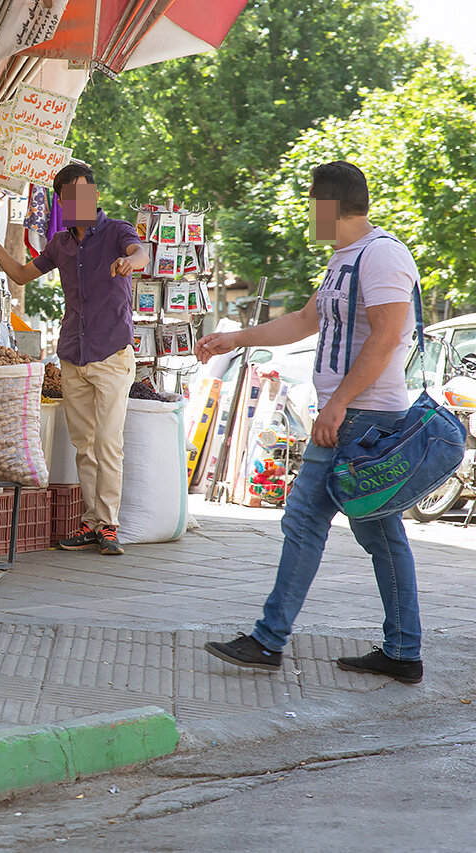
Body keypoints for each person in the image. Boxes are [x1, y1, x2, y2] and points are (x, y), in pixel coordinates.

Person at [197, 162, 424, 684]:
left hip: (363, 416)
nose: (308, 216)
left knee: (305, 518)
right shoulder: (344, 257)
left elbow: (387, 336)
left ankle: (269, 639)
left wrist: (339, 402)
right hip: (353, 413)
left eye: (311, 205)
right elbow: (304, 321)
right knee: (380, 533)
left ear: (327, 206)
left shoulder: (382, 254)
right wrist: (235, 339)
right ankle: (403, 652)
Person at [0, 164, 148, 555]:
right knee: (84, 444)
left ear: (95, 196)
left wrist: (130, 262)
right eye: (71, 198)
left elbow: (141, 252)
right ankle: (91, 522)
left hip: (112, 354)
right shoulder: (60, 244)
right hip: (73, 355)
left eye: (86, 195)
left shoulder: (117, 232)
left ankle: (109, 524)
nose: (80, 203)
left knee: (108, 442)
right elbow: (18, 274)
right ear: (61, 203)